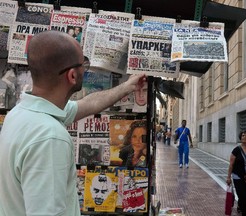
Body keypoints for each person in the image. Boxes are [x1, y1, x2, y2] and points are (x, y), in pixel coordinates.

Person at [0, 30, 146, 216]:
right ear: (72, 75)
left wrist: (127, 87)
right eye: (83, 63)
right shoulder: (50, 137)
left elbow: (88, 104)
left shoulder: (21, 113)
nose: (85, 68)